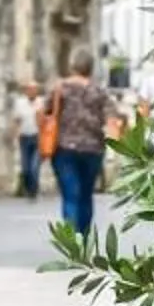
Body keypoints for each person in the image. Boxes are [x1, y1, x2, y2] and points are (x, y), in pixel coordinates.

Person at [47, 50, 115, 235]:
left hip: (64, 148)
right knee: (86, 195)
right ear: (91, 68)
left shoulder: (59, 88)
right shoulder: (100, 91)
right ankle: (83, 239)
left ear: (72, 66)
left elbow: (47, 112)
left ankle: (72, 243)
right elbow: (111, 117)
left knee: (70, 195)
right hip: (93, 149)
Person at [9, 79, 43, 199]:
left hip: (38, 137)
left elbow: (45, 121)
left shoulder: (41, 102)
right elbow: (17, 120)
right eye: (29, 89)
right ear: (26, 91)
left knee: (35, 166)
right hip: (24, 136)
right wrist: (15, 133)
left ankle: (34, 191)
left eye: (34, 89)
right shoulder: (20, 103)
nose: (32, 92)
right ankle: (29, 188)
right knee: (25, 167)